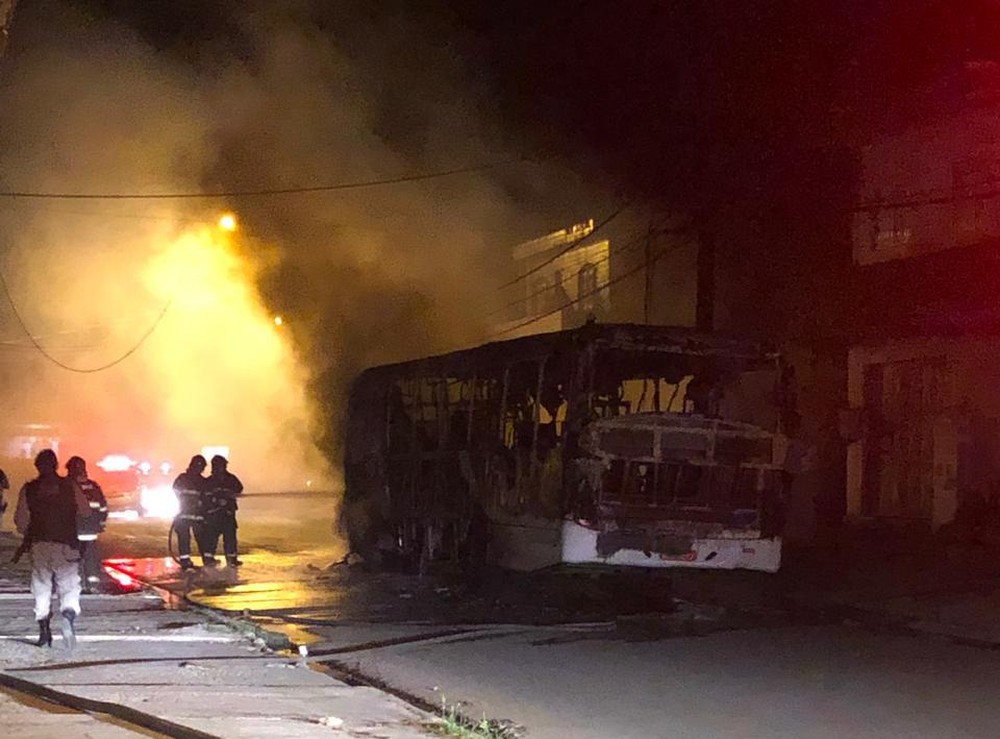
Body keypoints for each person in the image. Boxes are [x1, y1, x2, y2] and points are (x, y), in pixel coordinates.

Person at [13, 449, 90, 648]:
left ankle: (44, 628)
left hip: (39, 544)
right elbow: (85, 510)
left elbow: (20, 520)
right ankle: (68, 617)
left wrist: (30, 532)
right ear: (56, 465)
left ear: (37, 466)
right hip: (66, 543)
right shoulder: (69, 486)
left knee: (41, 585)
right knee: (69, 584)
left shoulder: (29, 488)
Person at [67, 456, 108, 594]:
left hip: (72, 530)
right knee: (90, 558)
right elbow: (103, 508)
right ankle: (92, 585)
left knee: (72, 559)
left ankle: (76, 585)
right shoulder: (94, 486)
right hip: (90, 530)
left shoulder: (66, 486)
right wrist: (100, 523)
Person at [202, 455, 244, 567]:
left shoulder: (231, 479)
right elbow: (205, 497)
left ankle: (232, 560)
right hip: (214, 515)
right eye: (221, 465)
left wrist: (230, 494)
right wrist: (216, 501)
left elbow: (239, 488)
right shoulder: (209, 482)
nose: (223, 468)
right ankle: (208, 559)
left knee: (230, 538)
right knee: (211, 538)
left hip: (228, 514)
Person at [171, 455, 208, 570]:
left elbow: (176, 490)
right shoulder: (201, 481)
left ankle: (187, 560)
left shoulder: (183, 478)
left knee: (189, 537)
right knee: (198, 537)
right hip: (193, 514)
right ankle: (202, 559)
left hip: (187, 514)